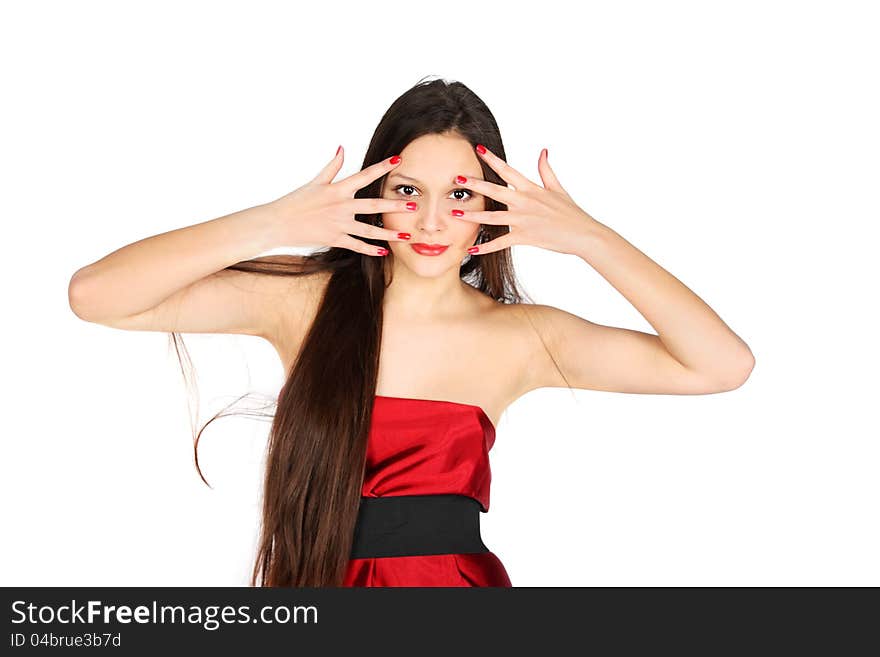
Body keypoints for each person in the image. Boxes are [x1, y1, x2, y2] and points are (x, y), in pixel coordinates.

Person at [67, 77, 754, 587]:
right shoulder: (306, 301)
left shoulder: (520, 338)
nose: (431, 222)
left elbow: (720, 364)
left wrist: (592, 239)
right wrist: (274, 222)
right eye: (407, 192)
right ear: (376, 194)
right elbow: (96, 295)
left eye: (460, 194)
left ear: (490, 209)